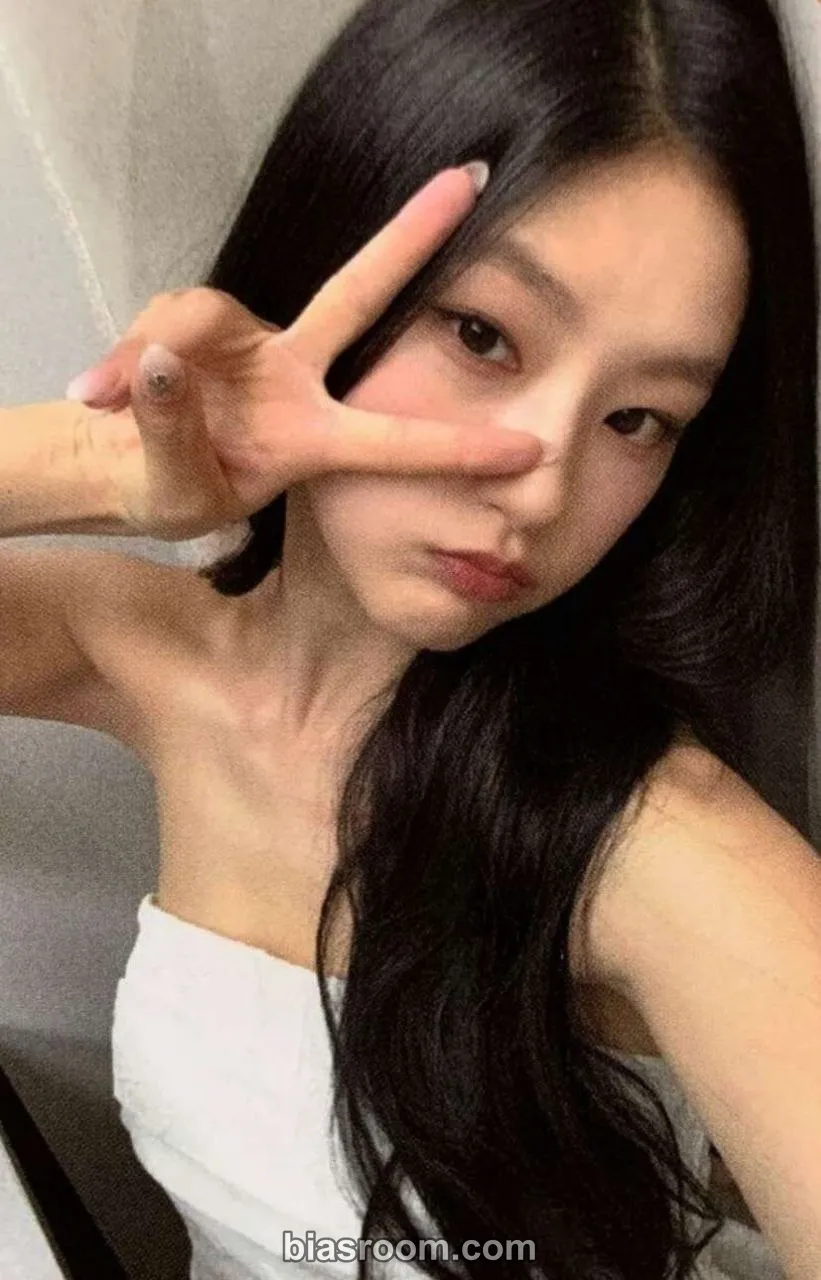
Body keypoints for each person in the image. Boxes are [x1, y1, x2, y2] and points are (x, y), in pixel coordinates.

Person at [3, 0, 819, 1275]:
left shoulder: (647, 841)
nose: (540, 487)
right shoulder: (139, 652)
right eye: (482, 334)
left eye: (640, 417)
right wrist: (102, 460)